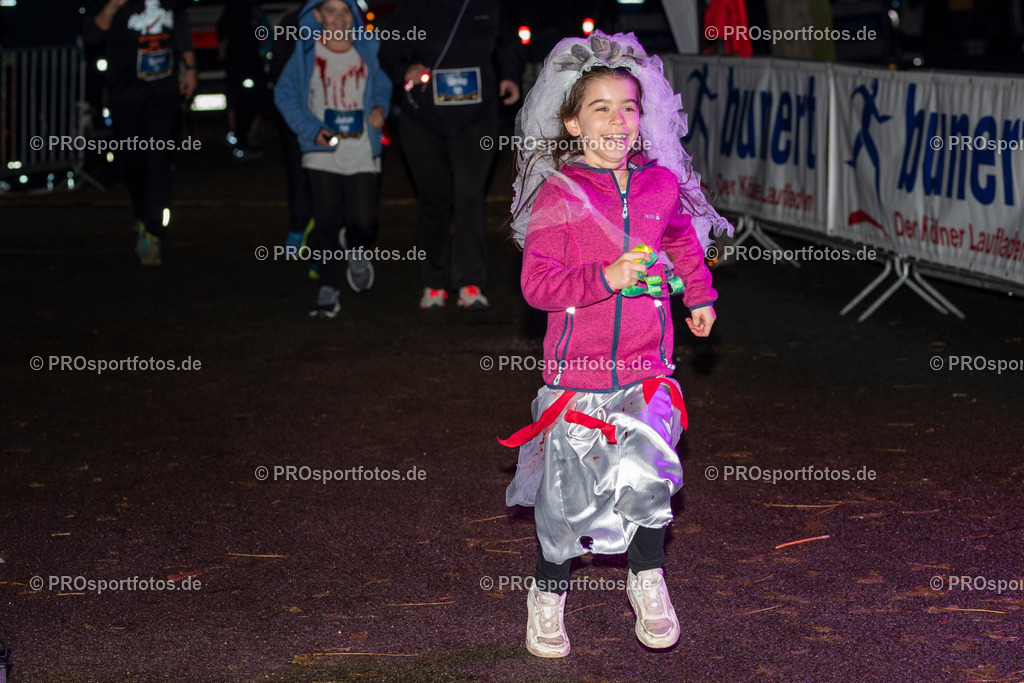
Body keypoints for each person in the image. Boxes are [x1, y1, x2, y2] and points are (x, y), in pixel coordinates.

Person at [500, 32, 732, 658]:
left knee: (651, 473)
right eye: (599, 107)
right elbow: (538, 286)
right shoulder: (559, 195)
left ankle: (647, 577)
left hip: (647, 368)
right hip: (576, 378)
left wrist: (699, 295)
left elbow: (682, 238)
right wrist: (607, 278)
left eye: (628, 107)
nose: (617, 119)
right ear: (573, 121)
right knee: (566, 501)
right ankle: (547, 594)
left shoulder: (658, 184)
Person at [379, 0, 522, 310]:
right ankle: (434, 281)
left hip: (478, 116)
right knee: (434, 198)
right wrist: (405, 69)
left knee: (469, 195)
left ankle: (471, 282)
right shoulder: (412, 9)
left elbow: (509, 41)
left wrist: (509, 75)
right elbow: (387, 50)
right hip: (423, 119)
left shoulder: (489, 5)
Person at [274, 0, 391, 317]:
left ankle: (354, 247)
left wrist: (380, 108)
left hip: (362, 146)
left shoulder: (367, 46)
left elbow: (381, 83)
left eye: (344, 11)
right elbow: (283, 94)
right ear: (317, 15)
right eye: (331, 11)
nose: (339, 18)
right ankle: (328, 287)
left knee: (365, 221)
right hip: (322, 148)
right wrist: (311, 131)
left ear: (352, 15)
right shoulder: (306, 51)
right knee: (325, 220)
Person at [83, 0, 198, 266]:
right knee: (135, 162)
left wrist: (190, 68)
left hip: (162, 91)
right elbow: (92, 36)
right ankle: (142, 214)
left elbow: (180, 23)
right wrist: (112, 6)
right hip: (125, 94)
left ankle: (153, 231)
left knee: (158, 158)